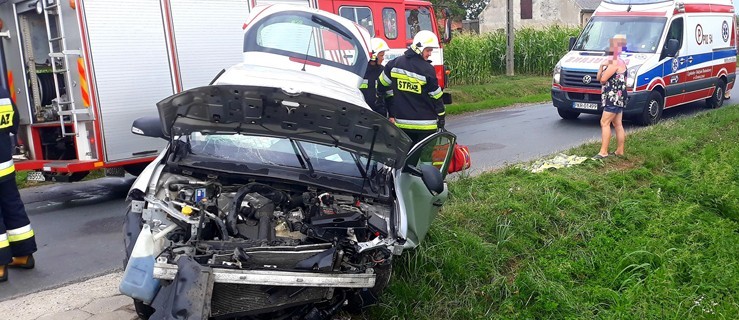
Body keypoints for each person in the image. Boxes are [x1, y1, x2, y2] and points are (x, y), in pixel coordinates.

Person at [378, 30, 445, 145]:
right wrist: (442, 116)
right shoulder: (427, 69)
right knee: (425, 159)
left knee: (405, 157)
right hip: (426, 125)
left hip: (402, 124)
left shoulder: (394, 64)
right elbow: (436, 96)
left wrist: (388, 105)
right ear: (419, 48)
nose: (429, 54)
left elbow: (381, 85)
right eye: (428, 50)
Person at [0, 86, 37, 283]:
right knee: (12, 207)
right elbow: (13, 122)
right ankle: (23, 255)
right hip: (4, 164)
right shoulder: (2, 93)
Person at [593, 34, 627, 159]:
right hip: (619, 97)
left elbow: (602, 79)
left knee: (604, 122)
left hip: (613, 97)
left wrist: (603, 68)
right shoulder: (619, 61)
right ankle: (620, 151)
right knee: (617, 124)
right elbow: (599, 77)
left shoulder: (614, 62)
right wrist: (601, 66)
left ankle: (603, 152)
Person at [361, 38, 390, 116]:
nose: (383, 58)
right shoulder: (361, 71)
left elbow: (389, 93)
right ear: (373, 56)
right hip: (362, 112)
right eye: (381, 55)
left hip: (380, 114)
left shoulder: (383, 71)